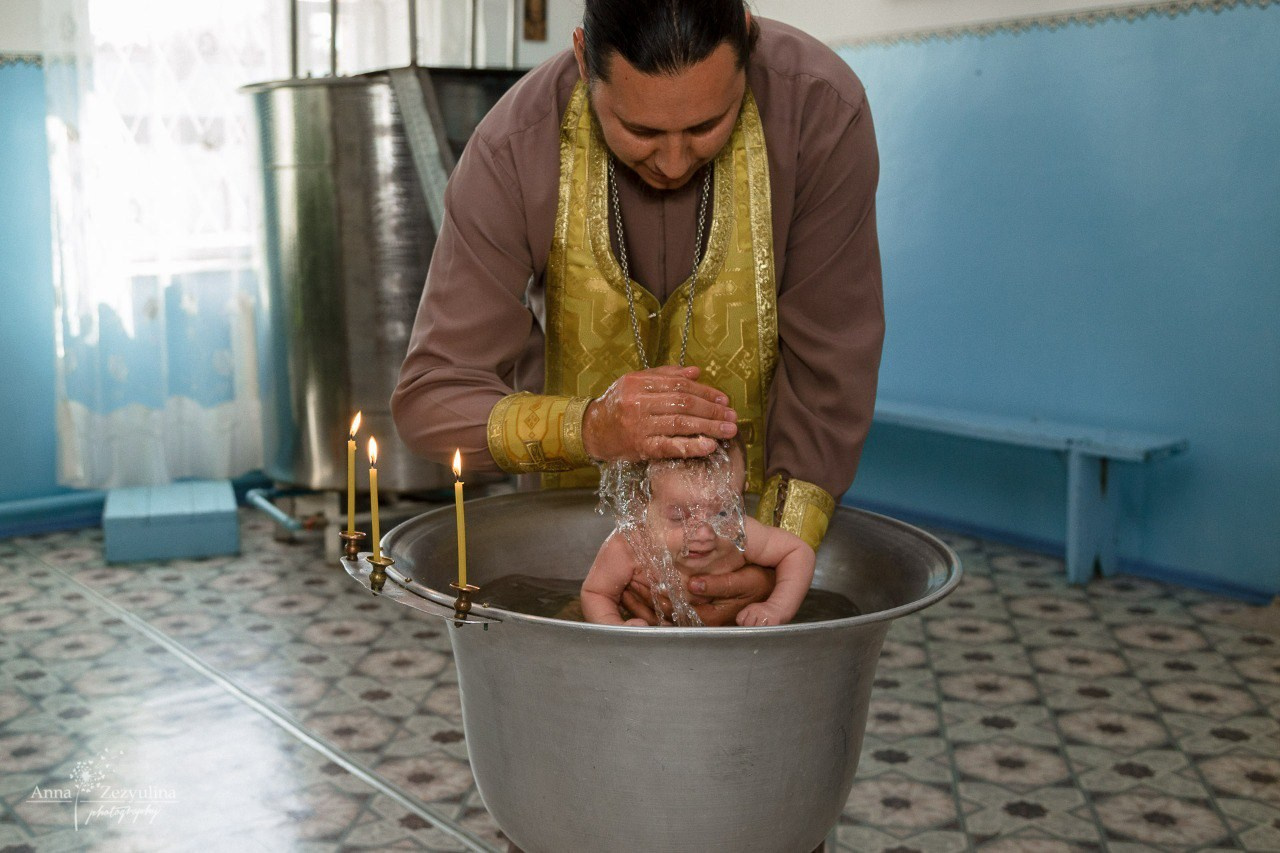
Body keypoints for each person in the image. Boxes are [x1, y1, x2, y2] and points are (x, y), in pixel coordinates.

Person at [392, 0, 884, 628]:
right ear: (581, 58)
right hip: (582, 560)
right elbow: (431, 395)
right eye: (642, 132)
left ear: (749, 44)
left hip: (753, 546)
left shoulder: (819, 109)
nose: (674, 162)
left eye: (708, 125)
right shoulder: (513, 146)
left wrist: (761, 563)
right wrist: (589, 428)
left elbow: (832, 365)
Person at [582, 441, 816, 626]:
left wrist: (776, 607)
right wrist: (615, 627)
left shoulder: (741, 533)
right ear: (643, 504)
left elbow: (798, 552)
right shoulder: (630, 544)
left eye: (723, 512)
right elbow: (596, 593)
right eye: (679, 516)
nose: (704, 533)